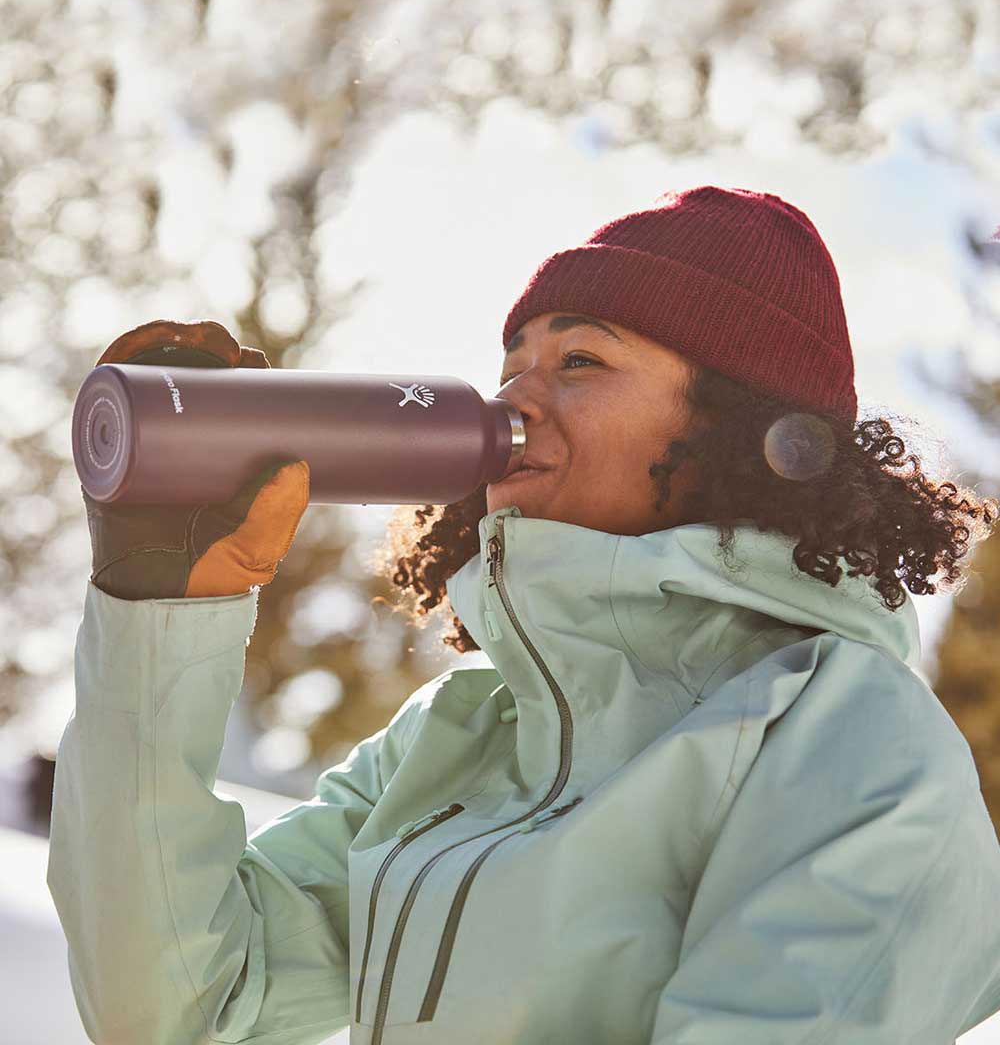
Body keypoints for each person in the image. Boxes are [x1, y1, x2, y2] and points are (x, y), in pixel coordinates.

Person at [48, 186, 1000, 1045]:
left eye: (580, 360)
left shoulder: (852, 742)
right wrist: (157, 609)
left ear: (735, 427)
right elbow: (175, 1009)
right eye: (512, 363)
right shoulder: (461, 737)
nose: (516, 399)